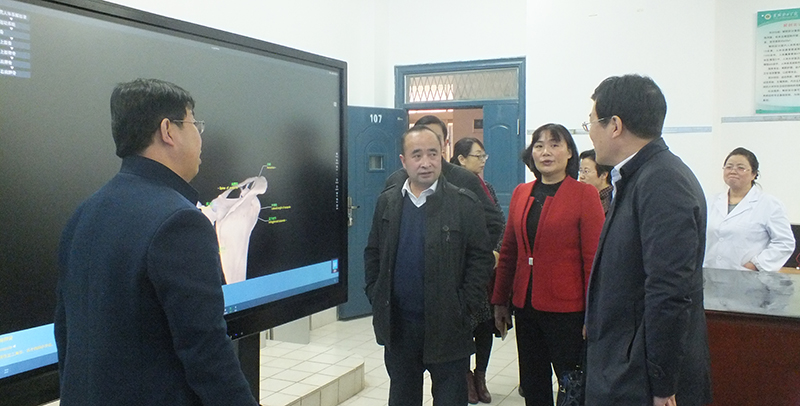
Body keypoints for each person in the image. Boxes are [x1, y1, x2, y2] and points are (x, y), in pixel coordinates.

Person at [55, 79, 259, 406]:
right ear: (168, 131)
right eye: (194, 125)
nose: (200, 138)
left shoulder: (84, 213)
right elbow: (206, 350)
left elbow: (66, 334)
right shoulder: (180, 221)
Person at [583, 74, 712, 406]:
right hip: (625, 359)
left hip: (640, 377)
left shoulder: (663, 182)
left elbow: (669, 292)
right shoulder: (638, 176)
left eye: (591, 123)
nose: (590, 134)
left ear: (615, 125)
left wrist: (663, 384)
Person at [364, 125, 495, 406]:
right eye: (417, 155)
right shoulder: (388, 202)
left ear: (442, 155)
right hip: (400, 328)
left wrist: (465, 306)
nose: (426, 162)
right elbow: (373, 253)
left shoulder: (464, 203)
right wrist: (376, 294)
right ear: (403, 160)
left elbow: (481, 258)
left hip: (449, 329)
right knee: (402, 398)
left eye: (433, 154)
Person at [491, 123, 604, 406]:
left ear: (569, 152)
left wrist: (594, 313)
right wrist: (500, 301)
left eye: (555, 145)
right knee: (533, 384)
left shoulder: (584, 195)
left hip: (568, 311)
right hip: (526, 307)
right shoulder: (521, 192)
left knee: (571, 385)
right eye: (539, 145)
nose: (546, 152)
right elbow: (509, 252)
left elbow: (593, 261)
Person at [385, 115, 505, 247]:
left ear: (444, 143)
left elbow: (493, 223)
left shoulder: (465, 179)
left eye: (435, 137)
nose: (427, 140)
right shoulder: (395, 182)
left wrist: (469, 254)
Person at [450, 137, 504, 404]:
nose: (483, 161)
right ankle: (465, 378)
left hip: (483, 271)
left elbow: (498, 222)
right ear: (461, 159)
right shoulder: (449, 188)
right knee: (462, 327)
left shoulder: (487, 188)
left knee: (484, 325)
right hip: (458, 273)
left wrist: (494, 253)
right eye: (477, 156)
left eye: (484, 156)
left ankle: (480, 375)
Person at [704, 147, 795, 272]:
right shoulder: (710, 202)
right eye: (729, 167)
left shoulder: (770, 204)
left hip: (748, 277)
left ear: (754, 174)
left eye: (740, 168)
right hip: (710, 273)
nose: (733, 171)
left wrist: (756, 264)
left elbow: (784, 243)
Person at [578, 149, 613, 215]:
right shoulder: (584, 198)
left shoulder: (613, 198)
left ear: (604, 175)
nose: (581, 176)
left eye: (586, 171)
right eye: (580, 171)